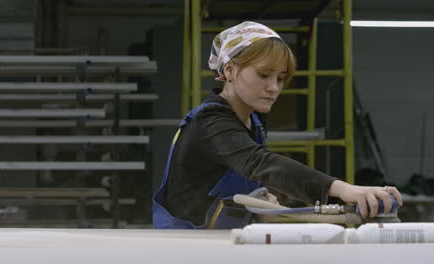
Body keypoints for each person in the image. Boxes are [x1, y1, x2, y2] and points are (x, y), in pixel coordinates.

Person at [153, 21, 403, 229]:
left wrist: (261, 199)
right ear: (229, 70)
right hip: (185, 243)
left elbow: (239, 173)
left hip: (222, 240)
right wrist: (344, 189)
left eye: (281, 78)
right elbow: (259, 162)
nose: (274, 88)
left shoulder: (254, 120)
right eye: (264, 75)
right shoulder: (210, 121)